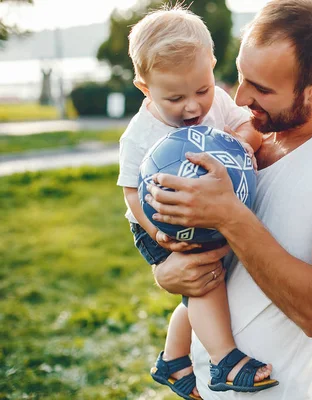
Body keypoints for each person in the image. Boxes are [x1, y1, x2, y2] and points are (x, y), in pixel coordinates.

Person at [143, 0, 312, 398]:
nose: (240, 98)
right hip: (201, 384)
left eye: (261, 89)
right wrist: (166, 272)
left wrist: (230, 215)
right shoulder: (234, 141)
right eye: (241, 78)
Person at [116, 6, 275, 399]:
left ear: (212, 67)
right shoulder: (140, 135)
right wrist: (160, 233)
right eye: (175, 97)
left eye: (201, 90)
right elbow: (131, 191)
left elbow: (244, 125)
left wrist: (241, 145)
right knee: (204, 280)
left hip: (205, 209)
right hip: (161, 222)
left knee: (199, 285)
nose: (192, 107)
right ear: (144, 86)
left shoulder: (216, 101)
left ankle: (172, 359)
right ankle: (225, 360)